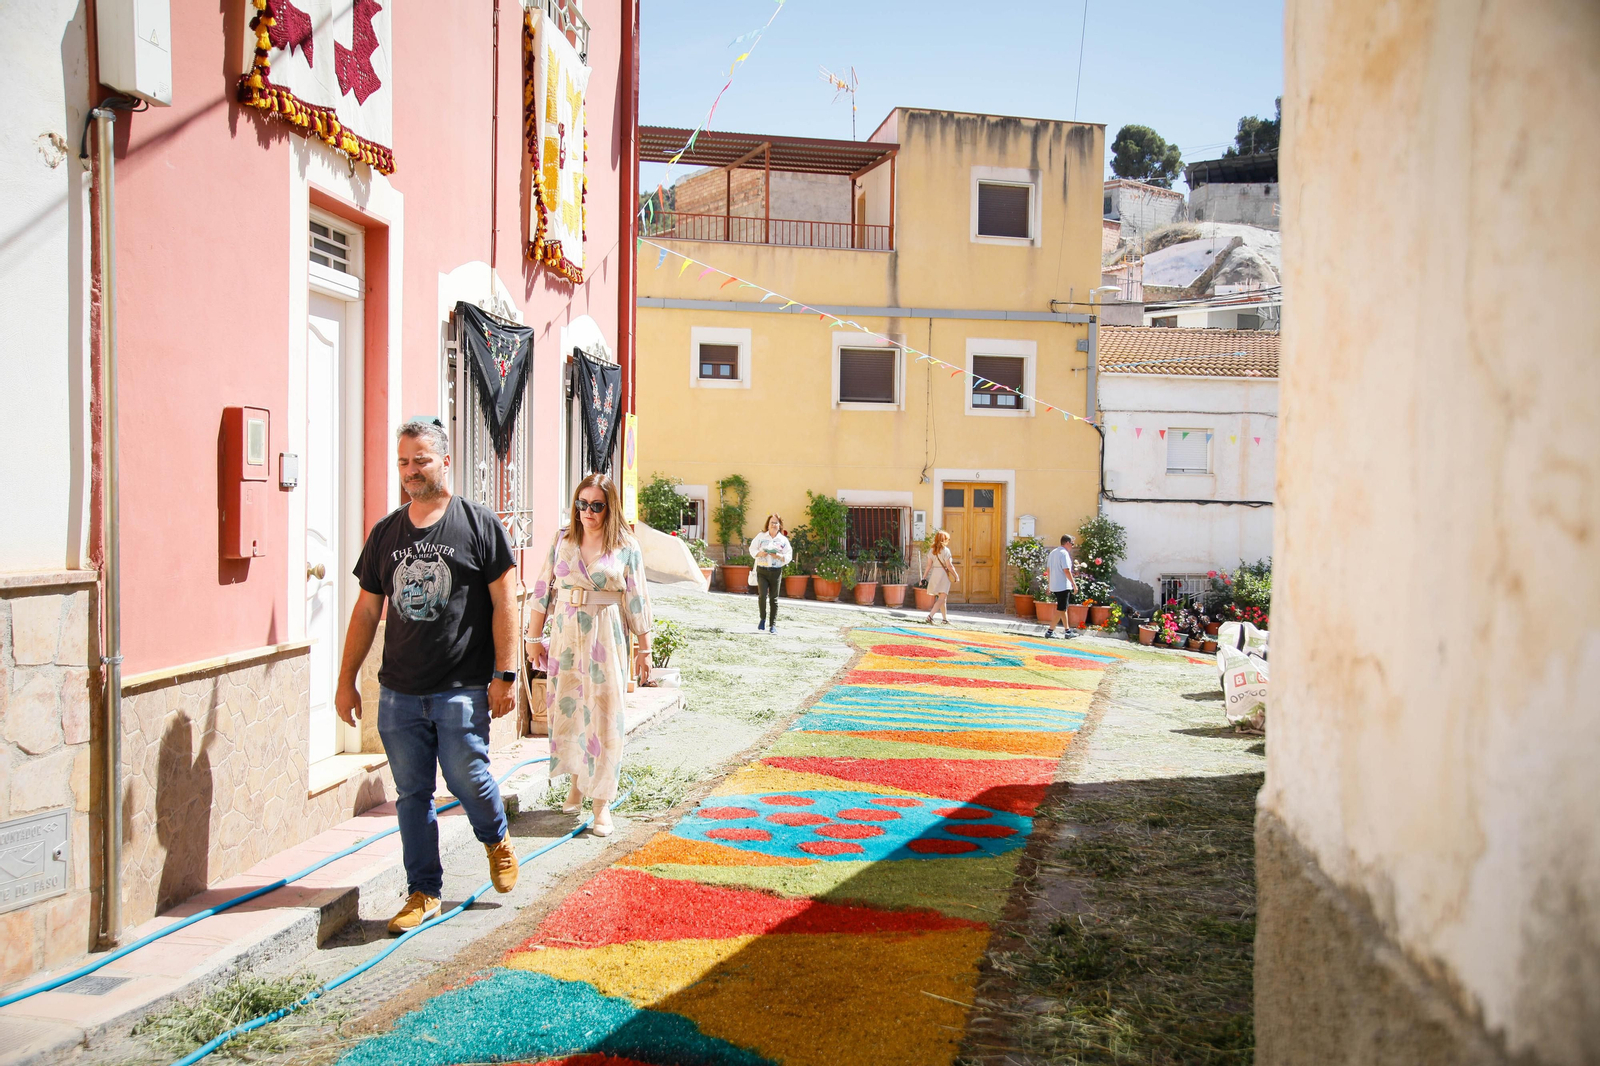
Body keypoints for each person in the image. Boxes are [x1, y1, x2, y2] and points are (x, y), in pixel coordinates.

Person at [336, 418, 521, 935]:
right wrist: (347, 678)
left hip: (461, 685)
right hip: (398, 690)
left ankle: (495, 837)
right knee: (411, 794)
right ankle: (423, 891)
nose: (411, 471)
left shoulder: (477, 523)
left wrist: (505, 674)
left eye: (421, 459)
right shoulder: (386, 533)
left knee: (468, 777)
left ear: (444, 460)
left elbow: (504, 601)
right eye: (403, 462)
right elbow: (366, 612)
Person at [524, 473, 654, 840]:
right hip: (566, 633)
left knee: (605, 713)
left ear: (609, 507)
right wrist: (534, 637)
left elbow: (638, 597)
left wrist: (645, 648)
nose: (587, 512)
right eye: (582, 504)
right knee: (569, 707)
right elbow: (542, 587)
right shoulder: (563, 538)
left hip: (605, 632)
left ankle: (602, 803)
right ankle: (578, 782)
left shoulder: (626, 545)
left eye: (596, 506)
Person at [749, 514, 793, 634]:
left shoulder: (783, 540)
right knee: (762, 596)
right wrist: (759, 554)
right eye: (771, 523)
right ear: (767, 525)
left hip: (776, 571)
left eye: (776, 523)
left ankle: (772, 625)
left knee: (774, 599)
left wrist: (779, 556)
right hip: (762, 570)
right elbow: (752, 549)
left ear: (780, 526)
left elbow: (789, 555)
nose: (774, 525)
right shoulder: (761, 536)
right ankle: (762, 619)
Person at [1041, 534, 1078, 639]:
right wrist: (1074, 584)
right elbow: (1066, 570)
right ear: (1067, 543)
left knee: (1063, 608)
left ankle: (1067, 631)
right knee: (1061, 608)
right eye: (1072, 544)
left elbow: (1048, 570)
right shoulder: (1064, 553)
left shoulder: (1053, 553)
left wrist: (1049, 585)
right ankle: (1050, 631)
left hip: (1055, 584)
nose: (1072, 546)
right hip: (1063, 585)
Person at [921, 529, 959, 624]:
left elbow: (928, 565)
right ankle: (930, 616)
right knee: (942, 598)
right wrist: (956, 575)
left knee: (942, 598)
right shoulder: (946, 551)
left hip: (935, 574)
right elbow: (949, 566)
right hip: (943, 575)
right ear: (945, 540)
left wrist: (924, 577)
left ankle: (945, 619)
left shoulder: (932, 551)